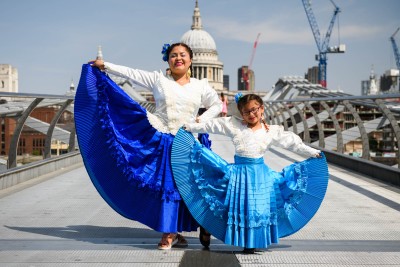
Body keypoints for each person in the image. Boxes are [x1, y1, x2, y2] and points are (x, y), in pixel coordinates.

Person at [74, 42, 222, 250]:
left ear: (190, 60)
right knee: (168, 185)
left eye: (182, 55)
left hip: (189, 141)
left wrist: (200, 120)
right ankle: (169, 232)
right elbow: (132, 73)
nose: (178, 58)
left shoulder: (201, 85)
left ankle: (193, 224)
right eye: (173, 55)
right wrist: (105, 65)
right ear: (168, 60)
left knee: (191, 187)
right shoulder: (158, 79)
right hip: (165, 138)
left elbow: (216, 104)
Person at [170, 93, 329, 254]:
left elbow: (293, 143)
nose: (251, 114)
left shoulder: (271, 131)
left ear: (261, 109)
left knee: (255, 209)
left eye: (254, 110)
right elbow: (212, 125)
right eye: (246, 112)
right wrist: (189, 127)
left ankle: (250, 241)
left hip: (260, 176)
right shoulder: (234, 125)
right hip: (237, 173)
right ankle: (207, 226)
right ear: (241, 114)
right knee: (223, 203)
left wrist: (312, 152)